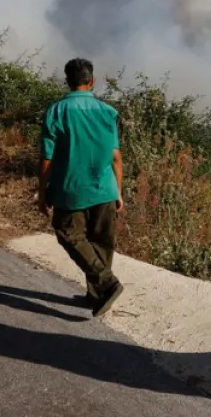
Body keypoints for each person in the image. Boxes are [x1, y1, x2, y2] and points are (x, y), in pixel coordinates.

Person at [38, 57, 125, 318]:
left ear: (67, 81)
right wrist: (118, 191)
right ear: (92, 80)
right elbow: (116, 157)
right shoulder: (107, 112)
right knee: (101, 240)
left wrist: (42, 192)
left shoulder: (56, 112)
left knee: (68, 233)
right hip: (105, 188)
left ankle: (106, 285)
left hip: (71, 188)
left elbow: (46, 159)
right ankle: (98, 294)